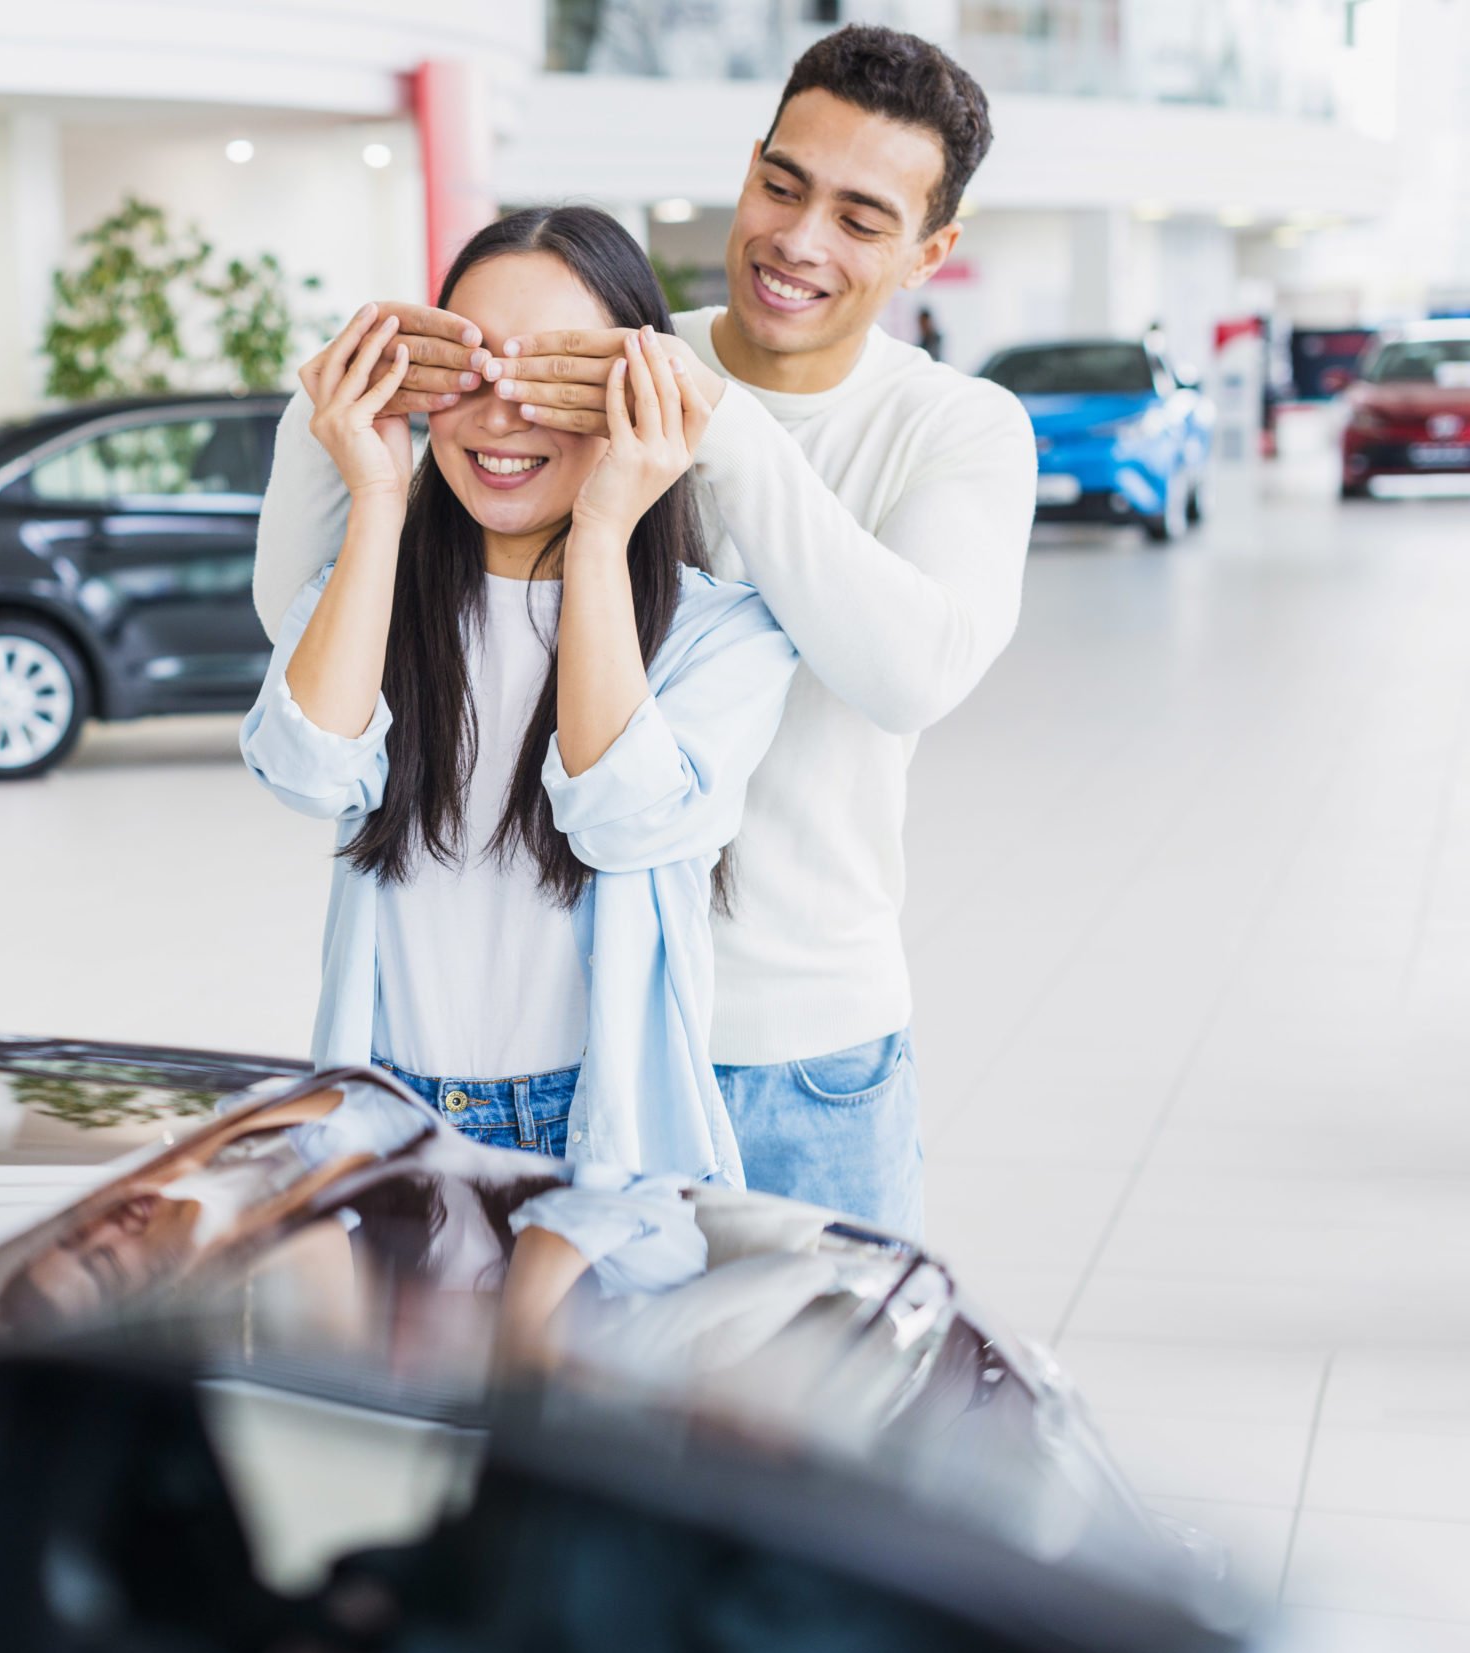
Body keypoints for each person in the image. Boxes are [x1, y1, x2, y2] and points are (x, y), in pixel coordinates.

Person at [252, 25, 1037, 1236]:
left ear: (931, 249)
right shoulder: (584, 351)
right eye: (781, 183)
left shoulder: (955, 429)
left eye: (861, 217)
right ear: (748, 166)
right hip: (568, 1038)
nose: (798, 238)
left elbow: (909, 672)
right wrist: (338, 408)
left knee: (813, 1413)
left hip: (791, 1045)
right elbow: (316, 642)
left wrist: (714, 425)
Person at [240, 205, 798, 1179]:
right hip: (382, 1116)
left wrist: (600, 527)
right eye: (472, 369)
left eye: (554, 375)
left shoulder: (724, 632)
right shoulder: (364, 596)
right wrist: (377, 493)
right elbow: (306, 770)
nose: (503, 413)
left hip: (591, 1128)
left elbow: (619, 817)